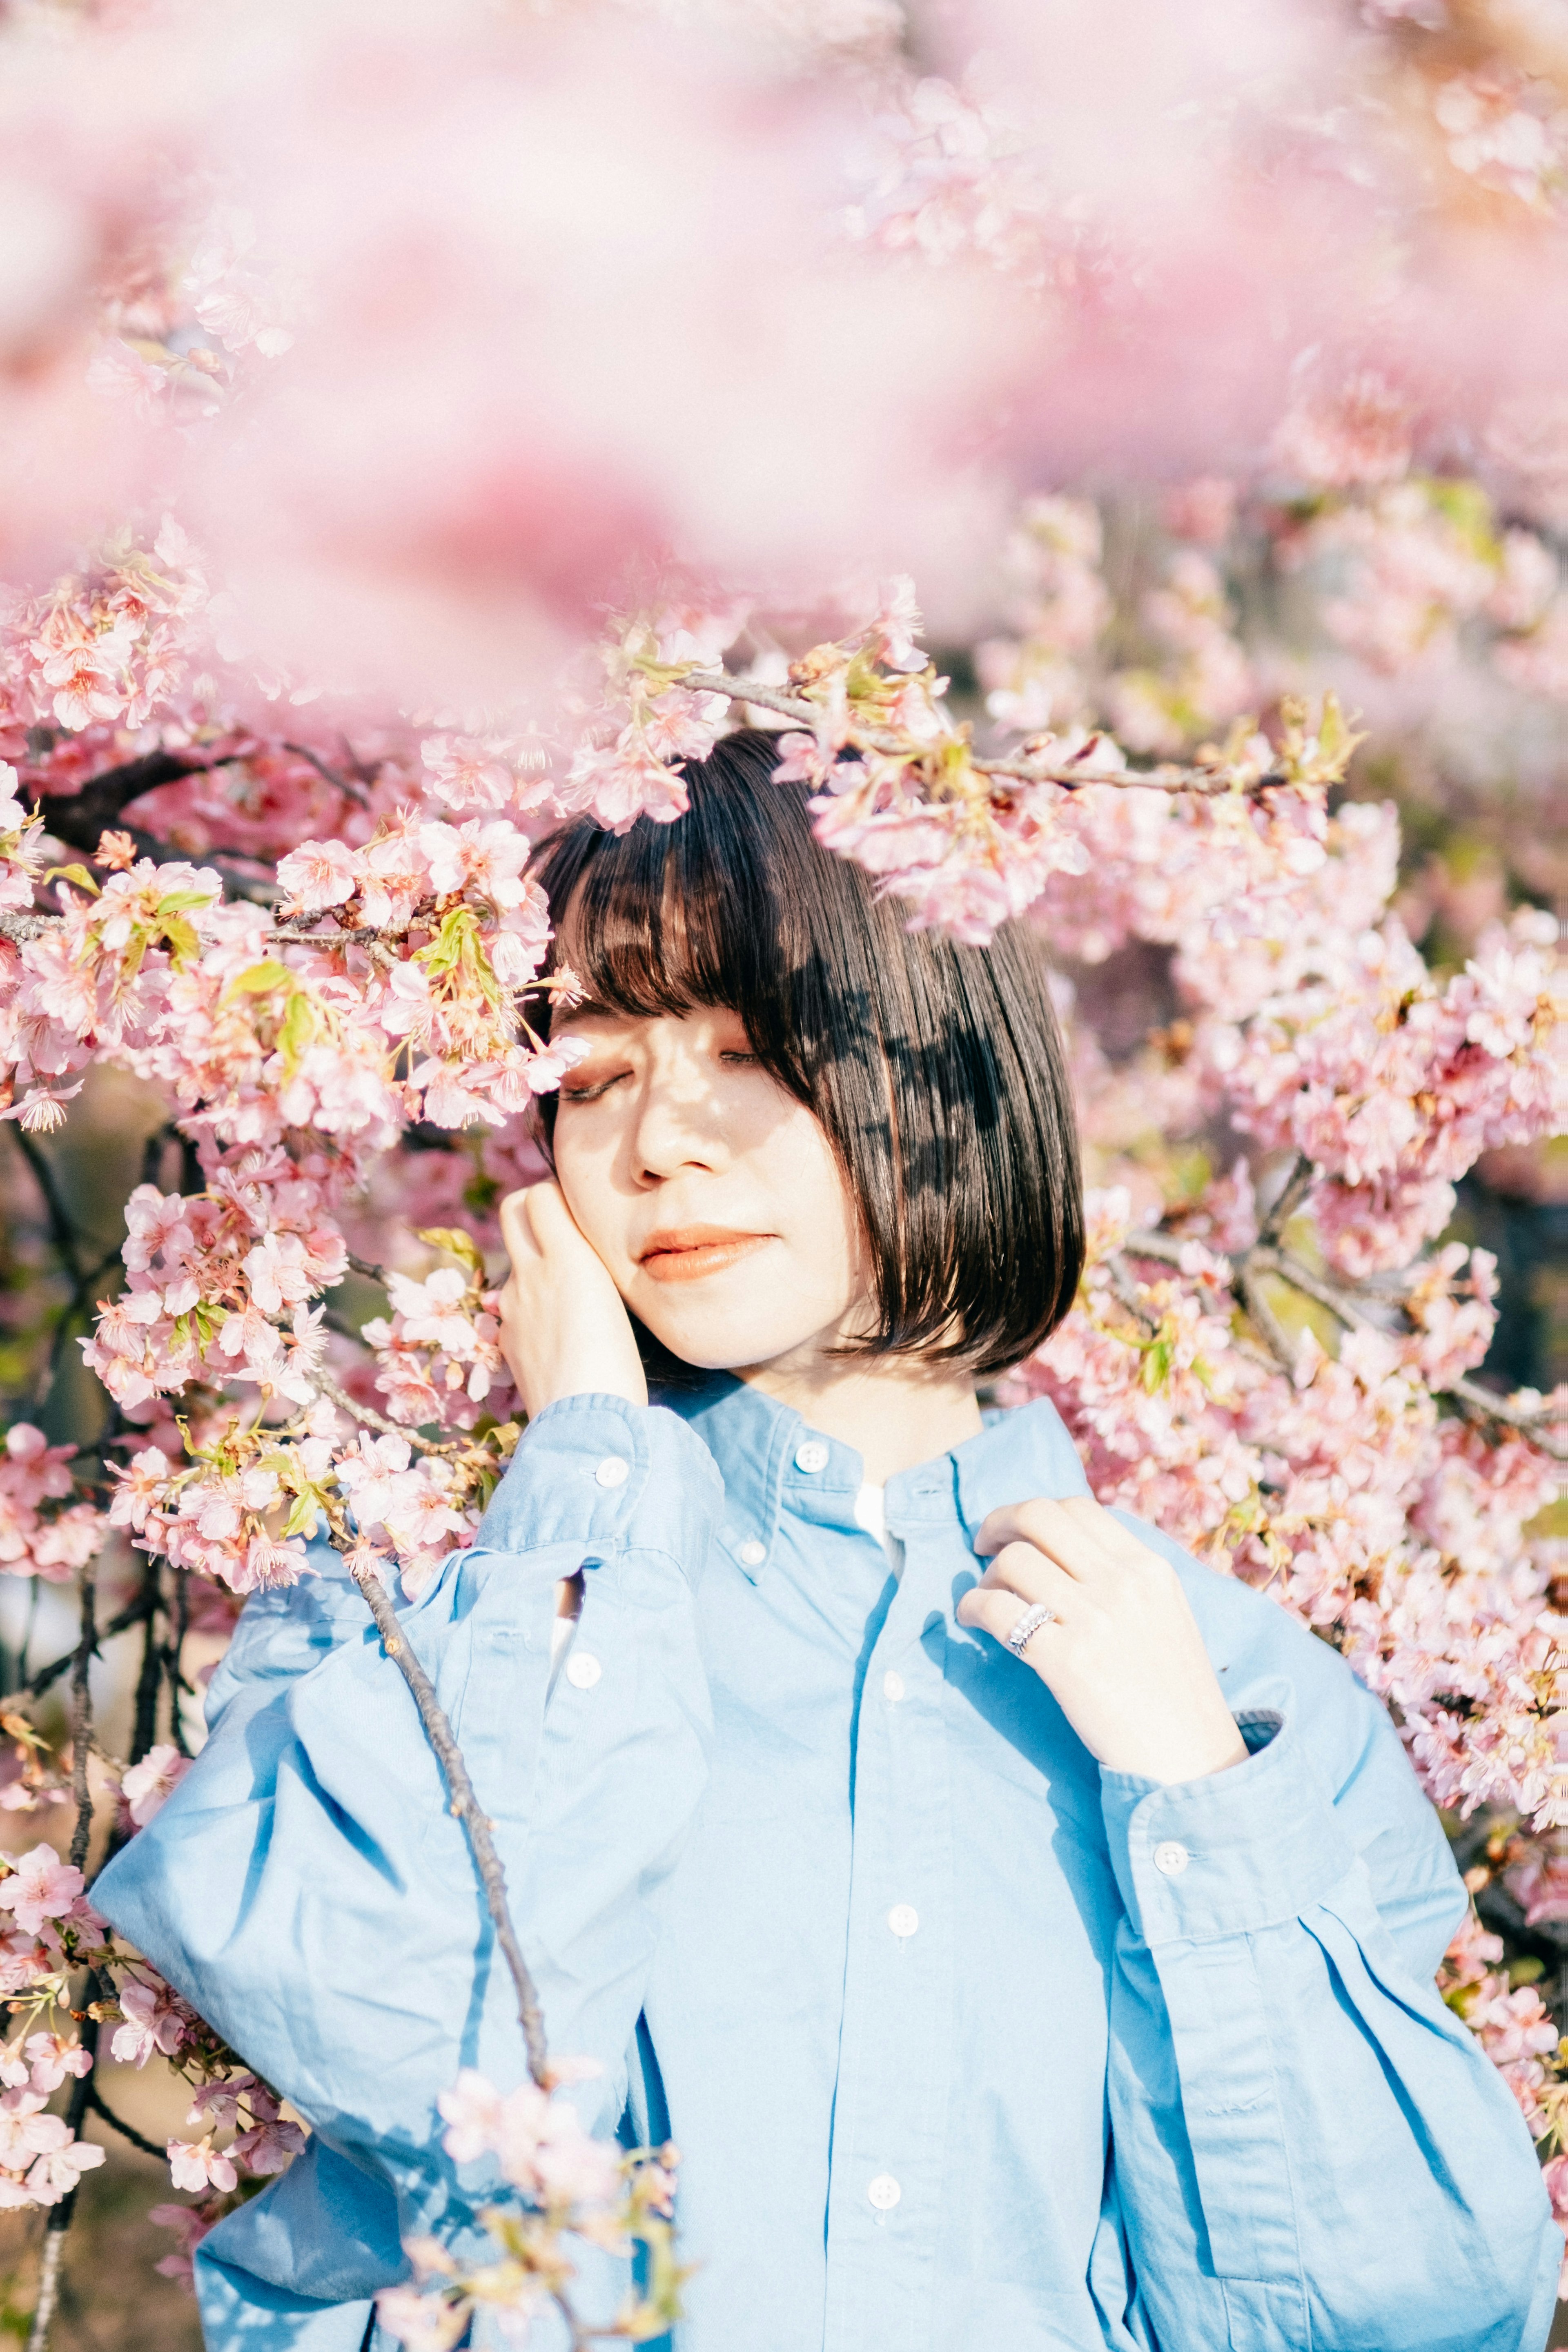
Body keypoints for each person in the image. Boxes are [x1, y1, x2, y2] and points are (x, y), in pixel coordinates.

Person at [97, 731, 1559, 2352]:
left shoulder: (1236, 1698)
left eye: (749, 1049)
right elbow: (397, 2030)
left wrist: (1200, 1810)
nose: (657, 1144)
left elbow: (1407, 2309)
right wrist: (579, 1479)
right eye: (592, 1079)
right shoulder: (417, 1594)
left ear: (949, 1075)